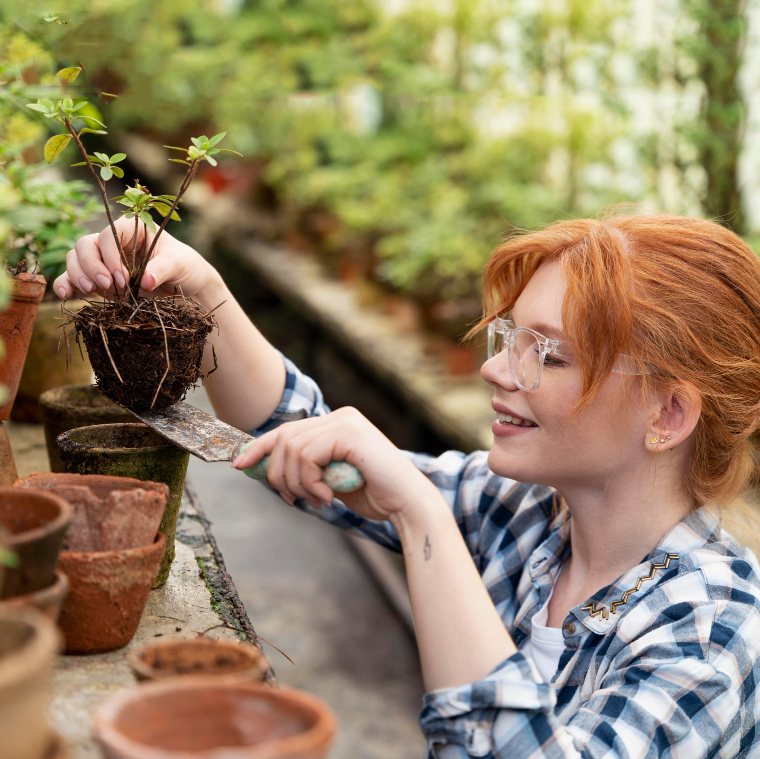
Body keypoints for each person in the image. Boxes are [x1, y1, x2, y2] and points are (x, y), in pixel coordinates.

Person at [57, 212, 760, 758]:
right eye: (508, 338)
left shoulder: (710, 628)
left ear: (668, 413)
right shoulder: (533, 515)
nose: (497, 370)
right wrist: (199, 287)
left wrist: (423, 517)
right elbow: (295, 431)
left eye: (545, 353)